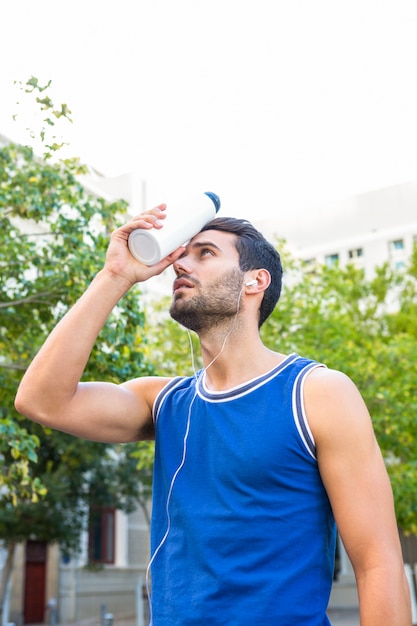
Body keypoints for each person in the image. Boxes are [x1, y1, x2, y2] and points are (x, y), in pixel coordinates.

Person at [15, 204, 411, 626]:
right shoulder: (163, 400)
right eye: (181, 254)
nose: (180, 263)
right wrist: (115, 275)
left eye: (204, 253)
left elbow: (377, 565)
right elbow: (41, 400)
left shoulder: (316, 392)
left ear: (256, 280)